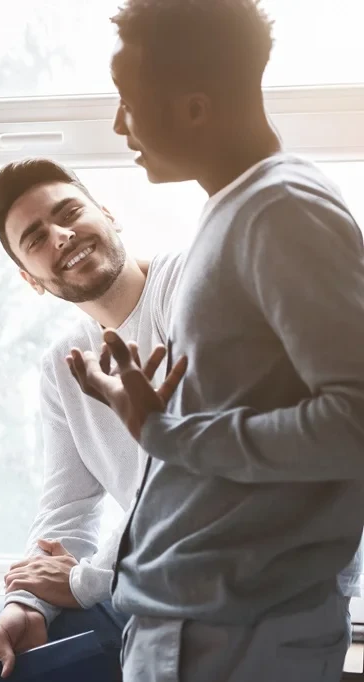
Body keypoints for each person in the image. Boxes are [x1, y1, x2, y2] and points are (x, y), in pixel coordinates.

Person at [68, 1, 364, 680]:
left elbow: (354, 421)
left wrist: (166, 432)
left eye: (128, 102)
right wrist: (155, 411)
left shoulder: (283, 210)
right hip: (196, 616)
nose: (119, 125)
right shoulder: (233, 208)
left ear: (195, 108)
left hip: (239, 629)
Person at [0, 157, 183, 681]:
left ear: (107, 213)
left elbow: (187, 480)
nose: (60, 236)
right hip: (125, 581)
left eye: (70, 213)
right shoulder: (64, 364)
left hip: (192, 572)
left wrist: (87, 581)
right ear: (30, 278)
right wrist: (28, 602)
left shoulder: (184, 287)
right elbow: (67, 509)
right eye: (35, 238)